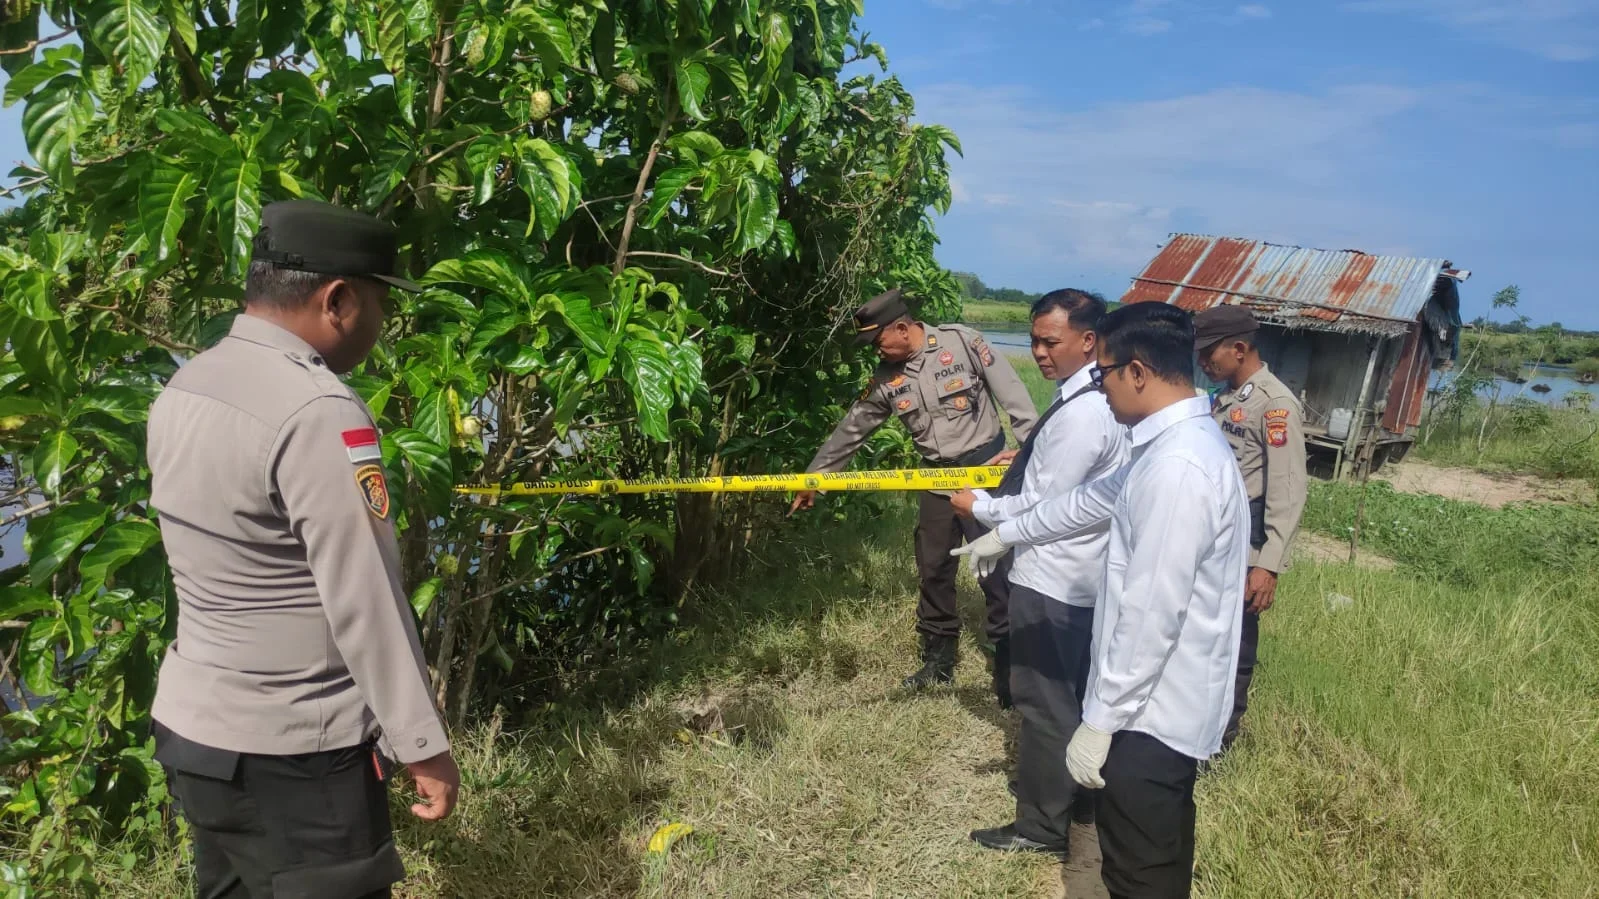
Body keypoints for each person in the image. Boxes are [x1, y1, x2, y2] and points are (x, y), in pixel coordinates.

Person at [146, 199, 460, 898]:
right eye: (381, 303)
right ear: (339, 300)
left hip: (196, 735)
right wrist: (423, 744)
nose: (382, 324)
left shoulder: (184, 385)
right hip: (293, 754)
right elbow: (364, 597)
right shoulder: (317, 410)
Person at [953, 302, 1248, 898]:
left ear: (1137, 372)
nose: (1101, 388)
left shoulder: (1180, 468)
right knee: (1140, 856)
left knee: (1141, 872)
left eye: (1105, 372)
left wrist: (1100, 720)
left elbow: (1150, 614)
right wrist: (1003, 532)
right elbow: (1085, 503)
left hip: (1153, 716)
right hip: (1146, 706)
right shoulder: (1160, 447)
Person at [947, 289, 1130, 857]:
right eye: (1033, 340)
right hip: (1083, 577)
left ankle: (1041, 826)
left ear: (1089, 340)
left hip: (1052, 579)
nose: (1040, 352)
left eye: (1051, 341)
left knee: (1043, 701)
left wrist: (977, 506)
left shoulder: (1082, 414)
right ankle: (1064, 790)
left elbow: (1044, 507)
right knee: (1069, 693)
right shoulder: (1098, 400)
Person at [790, 288, 1038, 704]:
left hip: (987, 474)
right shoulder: (888, 378)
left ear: (901, 328)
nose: (875, 351)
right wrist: (816, 477)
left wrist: (1031, 456)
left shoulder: (963, 343)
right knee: (933, 568)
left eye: (877, 341)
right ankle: (938, 660)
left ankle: (1009, 663)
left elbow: (1017, 399)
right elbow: (852, 429)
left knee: (998, 569)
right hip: (936, 481)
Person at [1193, 305, 1308, 752]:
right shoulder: (1224, 396)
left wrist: (1269, 564)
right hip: (1215, 533)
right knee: (1203, 637)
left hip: (1249, 539)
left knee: (1234, 647)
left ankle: (1220, 742)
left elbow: (1287, 490)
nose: (1203, 363)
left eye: (1209, 354)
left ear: (1239, 349)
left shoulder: (1274, 405)